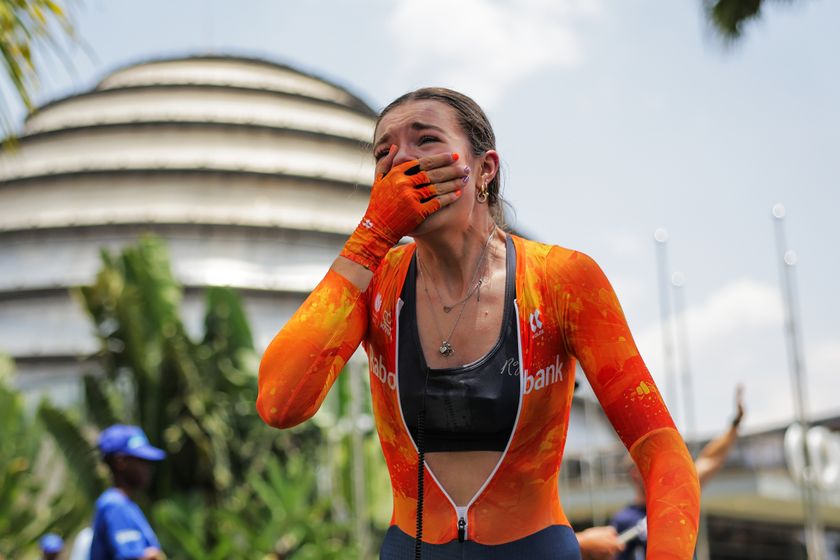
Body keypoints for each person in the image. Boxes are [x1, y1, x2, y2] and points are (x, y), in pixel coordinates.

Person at [257, 87, 700, 559]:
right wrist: (371, 237)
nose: (398, 158)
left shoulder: (561, 280)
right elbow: (280, 404)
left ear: (485, 169)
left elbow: (663, 453)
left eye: (424, 139)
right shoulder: (375, 283)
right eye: (382, 151)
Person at [606, 386, 746, 560]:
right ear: (634, 474)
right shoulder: (623, 521)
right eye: (648, 464)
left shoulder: (675, 494)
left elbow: (709, 459)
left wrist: (734, 425)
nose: (659, 469)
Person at [90, 424, 166, 560]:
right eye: (141, 461)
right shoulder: (115, 506)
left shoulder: (126, 505)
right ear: (121, 461)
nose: (147, 468)